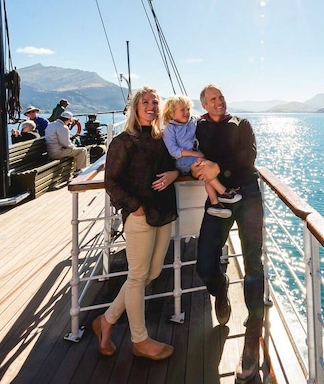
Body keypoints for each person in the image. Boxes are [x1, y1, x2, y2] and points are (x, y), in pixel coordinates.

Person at [90, 86, 178, 361]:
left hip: (164, 213)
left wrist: (175, 173)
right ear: (135, 107)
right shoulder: (123, 141)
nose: (151, 106)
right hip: (140, 216)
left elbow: (176, 164)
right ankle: (139, 340)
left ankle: (106, 320)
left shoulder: (161, 138)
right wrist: (134, 207)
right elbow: (111, 182)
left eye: (155, 102)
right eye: (146, 102)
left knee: (150, 273)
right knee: (138, 276)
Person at [192, 84, 265, 381]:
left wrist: (216, 167)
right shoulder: (197, 127)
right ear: (204, 105)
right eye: (212, 99)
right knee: (205, 264)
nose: (219, 102)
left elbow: (249, 157)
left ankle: (251, 338)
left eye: (221, 97)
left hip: (247, 195)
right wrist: (183, 170)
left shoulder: (242, 124)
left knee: (253, 265)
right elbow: (184, 153)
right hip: (218, 200)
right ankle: (220, 289)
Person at [161, 95, 241, 219]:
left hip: (196, 157)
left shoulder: (192, 121)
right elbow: (173, 151)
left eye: (188, 109)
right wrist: (194, 153)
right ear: (171, 113)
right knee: (205, 167)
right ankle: (224, 192)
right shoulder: (170, 129)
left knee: (207, 174)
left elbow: (204, 119)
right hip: (182, 161)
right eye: (182, 110)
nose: (186, 112)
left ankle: (215, 204)